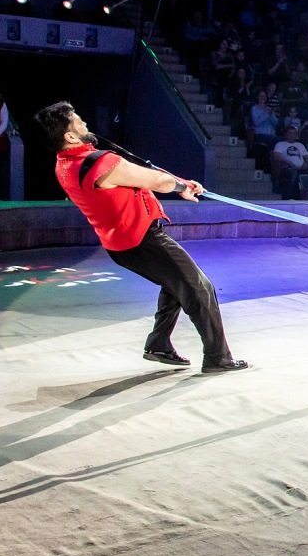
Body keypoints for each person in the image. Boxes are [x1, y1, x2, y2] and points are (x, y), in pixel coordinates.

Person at [32, 101, 247, 373]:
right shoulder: (100, 163)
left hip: (120, 245)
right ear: (70, 137)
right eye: (77, 120)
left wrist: (181, 183)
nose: (84, 121)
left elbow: (142, 175)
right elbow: (156, 182)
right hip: (142, 240)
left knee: (175, 282)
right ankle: (218, 357)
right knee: (200, 288)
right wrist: (182, 186)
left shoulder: (65, 165)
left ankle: (158, 343)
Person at [273, 125, 308, 199]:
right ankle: (290, 197)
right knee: (292, 173)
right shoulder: (280, 144)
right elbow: (276, 156)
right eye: (290, 133)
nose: (292, 135)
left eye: (294, 133)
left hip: (302, 168)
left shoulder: (300, 145)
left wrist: (306, 162)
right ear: (286, 134)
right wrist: (289, 163)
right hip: (287, 167)